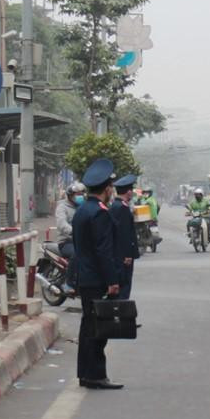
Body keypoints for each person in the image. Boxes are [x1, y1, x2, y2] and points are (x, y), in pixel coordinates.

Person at [72, 158, 123, 390]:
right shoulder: (100, 213)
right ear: (107, 189)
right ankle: (96, 375)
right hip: (97, 279)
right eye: (111, 187)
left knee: (87, 326)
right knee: (97, 329)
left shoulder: (82, 210)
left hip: (85, 277)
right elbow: (104, 251)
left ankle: (85, 373)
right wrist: (112, 281)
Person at [110, 174, 140, 299]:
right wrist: (127, 254)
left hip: (118, 253)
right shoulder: (122, 208)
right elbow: (124, 233)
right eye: (131, 190)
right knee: (124, 283)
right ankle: (120, 311)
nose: (132, 193)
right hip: (123, 255)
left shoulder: (117, 206)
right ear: (128, 192)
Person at [55, 181, 85, 294]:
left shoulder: (82, 206)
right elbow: (62, 224)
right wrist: (75, 231)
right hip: (66, 241)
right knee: (77, 254)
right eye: (77, 194)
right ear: (70, 195)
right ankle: (68, 283)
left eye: (81, 194)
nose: (80, 196)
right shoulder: (62, 207)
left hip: (81, 240)